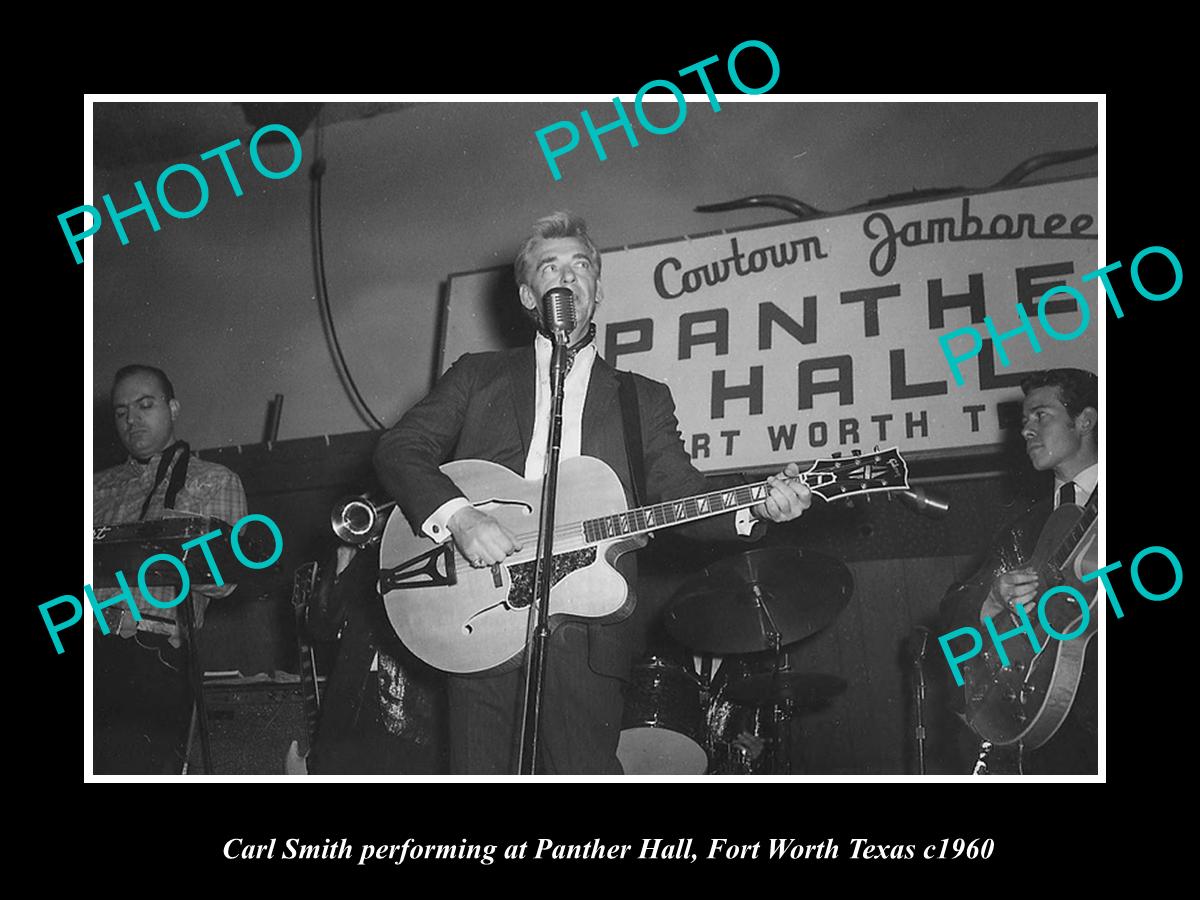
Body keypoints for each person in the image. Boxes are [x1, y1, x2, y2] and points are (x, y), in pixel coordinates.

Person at [374, 212, 811, 774]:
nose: (568, 277)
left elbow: (682, 499)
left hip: (588, 633)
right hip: (478, 618)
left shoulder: (641, 399)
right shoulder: (477, 375)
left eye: (581, 267)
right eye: (550, 268)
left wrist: (757, 507)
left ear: (596, 291)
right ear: (530, 296)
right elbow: (400, 448)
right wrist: (460, 518)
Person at [93, 364, 248, 774]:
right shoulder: (95, 487)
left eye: (145, 405)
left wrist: (162, 546)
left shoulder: (215, 481)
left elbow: (226, 580)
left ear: (173, 408)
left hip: (154, 653)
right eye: (121, 411)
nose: (132, 420)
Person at [942, 367, 1097, 774]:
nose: (1026, 430)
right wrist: (993, 598)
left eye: (1040, 416)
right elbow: (953, 610)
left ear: (1085, 420)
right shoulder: (1024, 528)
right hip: (1048, 726)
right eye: (1024, 420)